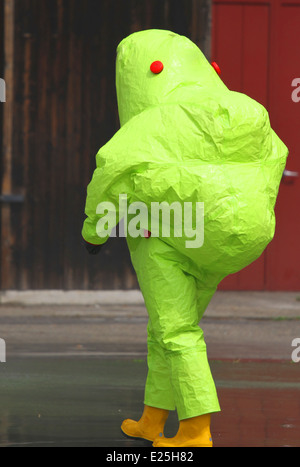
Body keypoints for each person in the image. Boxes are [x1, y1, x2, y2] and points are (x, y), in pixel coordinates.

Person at [82, 29, 288, 447]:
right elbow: (277, 155)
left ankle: (195, 430)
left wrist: (96, 230)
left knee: (176, 332)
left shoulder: (153, 121)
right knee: (167, 329)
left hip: (164, 234)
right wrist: (250, 213)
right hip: (233, 239)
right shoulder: (246, 110)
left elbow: (110, 167)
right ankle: (152, 419)